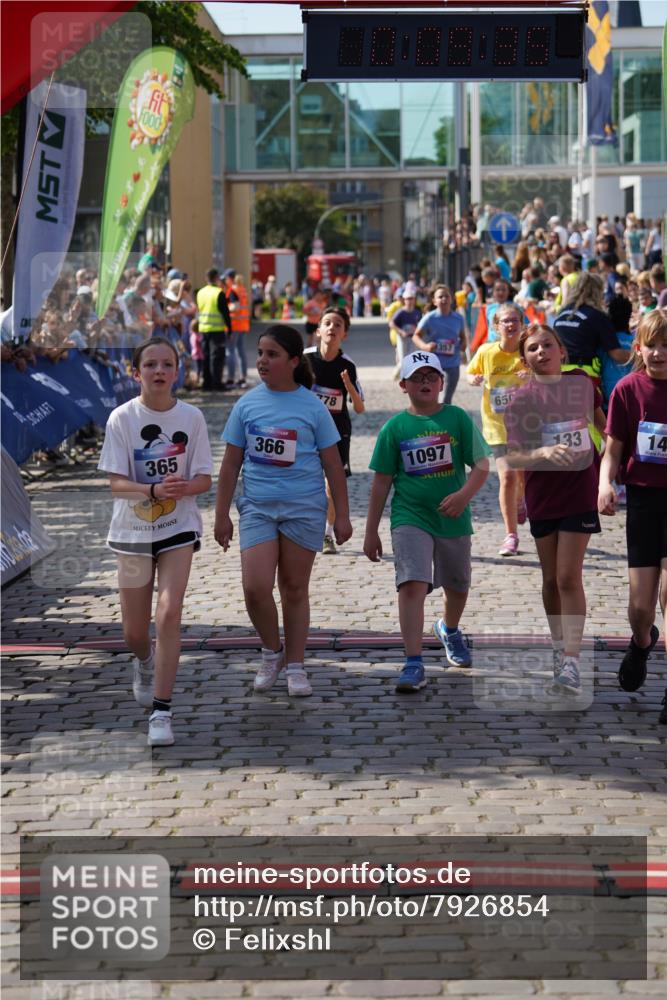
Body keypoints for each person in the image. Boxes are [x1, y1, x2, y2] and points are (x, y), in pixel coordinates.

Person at [214, 324, 352, 697]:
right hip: (257, 507)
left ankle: (295, 665)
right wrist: (221, 513)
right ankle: (271, 651)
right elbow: (230, 465)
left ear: (293, 361)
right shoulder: (246, 404)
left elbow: (333, 465)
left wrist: (342, 514)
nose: (262, 360)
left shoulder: (311, 406)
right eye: (260, 353)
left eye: (271, 354)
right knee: (255, 588)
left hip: (304, 508)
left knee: (293, 588)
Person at [97, 336, 213, 746]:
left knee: (168, 613)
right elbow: (115, 484)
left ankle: (162, 712)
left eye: (167, 364)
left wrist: (182, 488)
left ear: (177, 371)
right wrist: (151, 492)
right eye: (151, 365)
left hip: (178, 527)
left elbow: (204, 478)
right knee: (133, 631)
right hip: (131, 530)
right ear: (136, 373)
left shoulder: (192, 418)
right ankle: (144, 661)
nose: (159, 371)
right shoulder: (121, 419)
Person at [363, 350, 490, 692]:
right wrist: (371, 529)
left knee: (458, 586)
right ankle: (413, 662)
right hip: (410, 516)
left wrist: (464, 496)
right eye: (417, 378)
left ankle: (448, 628)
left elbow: (481, 465)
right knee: (412, 583)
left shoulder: (457, 418)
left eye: (431, 377)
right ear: (403, 385)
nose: (425, 383)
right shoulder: (395, 428)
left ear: (441, 382)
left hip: (453, 517)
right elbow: (381, 482)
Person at [502, 325, 607, 695]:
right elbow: (512, 454)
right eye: (533, 348)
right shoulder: (521, 400)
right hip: (543, 493)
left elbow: (600, 419)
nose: (542, 352)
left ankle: (574, 661)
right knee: (549, 580)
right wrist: (542, 453)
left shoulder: (582, 381)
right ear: (524, 359)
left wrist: (608, 465)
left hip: (580, 489)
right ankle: (559, 647)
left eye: (548, 345)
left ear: (562, 350)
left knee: (567, 577)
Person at [598, 310, 667, 724]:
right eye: (652, 344)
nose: (659, 352)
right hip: (643, 502)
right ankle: (641, 642)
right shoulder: (627, 389)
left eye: (666, 345)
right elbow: (614, 449)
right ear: (638, 348)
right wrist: (606, 483)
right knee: (641, 608)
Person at [467, 302, 530, 557]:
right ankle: (511, 536)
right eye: (506, 320)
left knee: (522, 477)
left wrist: (532, 376)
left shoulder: (527, 351)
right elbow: (471, 373)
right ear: (496, 326)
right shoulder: (486, 352)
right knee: (507, 477)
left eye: (515, 319)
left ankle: (521, 500)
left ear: (522, 324)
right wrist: (474, 379)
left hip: (526, 425)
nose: (511, 324)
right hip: (496, 426)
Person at [304, 307, 365, 555]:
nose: (332, 328)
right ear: (318, 331)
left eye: (338, 324)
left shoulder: (347, 365)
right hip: (307, 431)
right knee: (307, 482)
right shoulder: (305, 359)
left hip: (337, 432)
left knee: (331, 484)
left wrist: (348, 386)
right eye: (327, 323)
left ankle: (327, 534)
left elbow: (359, 408)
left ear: (345, 334)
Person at [412, 285, 467, 404]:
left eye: (447, 296)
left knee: (446, 399)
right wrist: (425, 347)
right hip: (434, 364)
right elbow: (416, 336)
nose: (444, 299)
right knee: (433, 398)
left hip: (453, 363)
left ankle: (443, 421)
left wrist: (463, 345)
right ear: (434, 301)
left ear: (451, 299)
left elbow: (463, 337)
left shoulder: (458, 318)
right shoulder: (429, 318)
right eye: (440, 297)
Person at [195, 267, 232, 391]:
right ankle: (217, 383)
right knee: (217, 357)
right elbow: (225, 313)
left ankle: (207, 383)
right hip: (217, 330)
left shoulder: (200, 292)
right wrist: (230, 329)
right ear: (216, 278)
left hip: (203, 328)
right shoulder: (218, 293)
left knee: (205, 356)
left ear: (206, 278)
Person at [388, 285, 422, 377]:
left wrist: (418, 330)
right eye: (407, 299)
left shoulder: (417, 312)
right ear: (404, 300)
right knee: (403, 359)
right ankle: (398, 374)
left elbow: (421, 324)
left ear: (414, 300)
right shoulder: (400, 312)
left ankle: (409, 376)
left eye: (411, 299)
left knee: (412, 357)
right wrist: (400, 331)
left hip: (413, 338)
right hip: (402, 338)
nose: (409, 301)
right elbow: (391, 323)